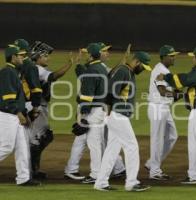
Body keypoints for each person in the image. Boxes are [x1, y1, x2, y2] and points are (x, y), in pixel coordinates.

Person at [157, 47, 196, 184]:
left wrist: (166, 77)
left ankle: (195, 177)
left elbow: (186, 80)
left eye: (193, 57)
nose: (192, 59)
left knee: (195, 144)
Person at [64, 42, 125, 181]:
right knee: (97, 143)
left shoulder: (92, 70)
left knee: (94, 144)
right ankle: (101, 172)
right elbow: (83, 76)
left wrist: (82, 114)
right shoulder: (101, 68)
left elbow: (87, 96)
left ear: (90, 55)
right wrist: (78, 64)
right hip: (100, 110)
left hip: (92, 111)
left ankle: (96, 174)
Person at [94, 51, 152, 192]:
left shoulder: (128, 72)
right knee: (132, 147)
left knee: (112, 150)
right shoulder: (124, 71)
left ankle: (100, 182)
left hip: (117, 115)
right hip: (118, 115)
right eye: (143, 67)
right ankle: (131, 182)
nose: (143, 70)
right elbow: (109, 91)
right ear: (137, 62)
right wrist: (109, 110)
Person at [26, 41, 73, 179]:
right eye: (45, 56)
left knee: (41, 138)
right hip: (36, 107)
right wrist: (69, 64)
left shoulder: (35, 68)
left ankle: (33, 169)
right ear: (37, 56)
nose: (48, 58)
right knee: (37, 139)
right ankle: (31, 171)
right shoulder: (37, 69)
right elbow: (54, 76)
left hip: (40, 106)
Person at [0, 45, 39, 186]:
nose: (23, 57)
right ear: (13, 57)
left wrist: (23, 114)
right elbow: (8, 99)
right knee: (6, 147)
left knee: (21, 148)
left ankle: (23, 178)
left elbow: (18, 99)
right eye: (20, 55)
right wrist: (18, 113)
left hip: (15, 115)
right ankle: (23, 177)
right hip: (8, 116)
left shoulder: (13, 71)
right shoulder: (7, 72)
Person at [144, 45, 180, 180]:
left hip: (164, 108)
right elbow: (162, 92)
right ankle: (155, 171)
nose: (173, 58)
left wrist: (175, 93)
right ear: (164, 57)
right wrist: (175, 95)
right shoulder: (160, 70)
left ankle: (151, 163)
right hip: (158, 108)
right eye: (171, 56)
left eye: (174, 55)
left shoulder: (164, 70)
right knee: (157, 140)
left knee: (172, 136)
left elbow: (167, 91)